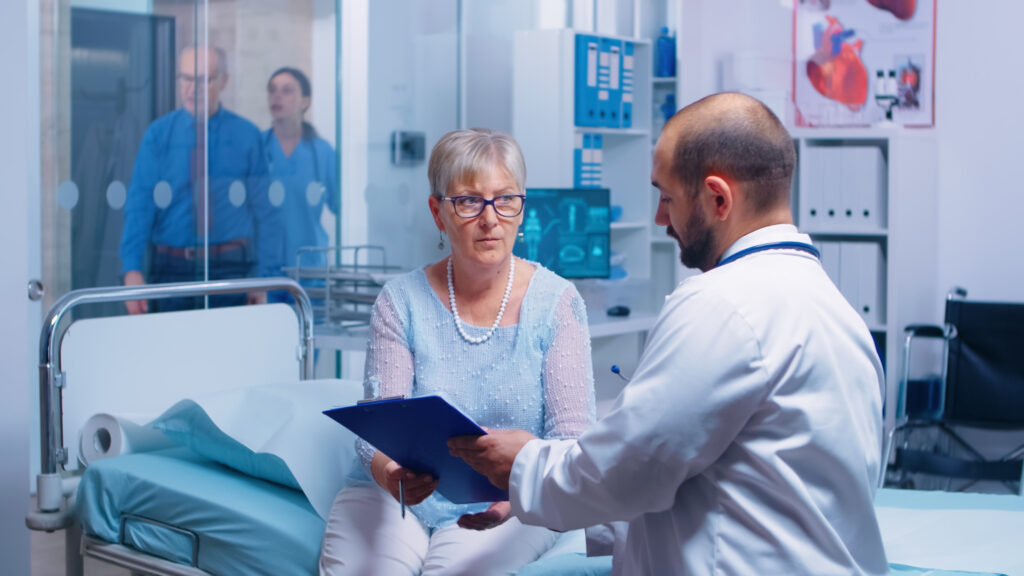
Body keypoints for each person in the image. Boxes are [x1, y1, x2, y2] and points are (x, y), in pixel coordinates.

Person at [450, 93, 889, 575]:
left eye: (666, 197)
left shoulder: (722, 305)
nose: (661, 220)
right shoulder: (835, 309)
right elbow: (736, 479)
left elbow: (624, 473)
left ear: (719, 198)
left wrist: (523, 463)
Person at [319, 128, 596, 575]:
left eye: (505, 199)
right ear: (437, 212)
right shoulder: (399, 300)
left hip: (517, 496)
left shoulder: (559, 303)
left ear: (522, 207)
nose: (491, 218)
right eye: (469, 201)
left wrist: (514, 498)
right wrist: (392, 474)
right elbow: (375, 425)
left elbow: (571, 443)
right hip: (398, 489)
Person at [119, 46, 281, 313]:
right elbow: (140, 205)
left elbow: (266, 214)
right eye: (186, 78)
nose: (192, 88)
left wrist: (263, 278)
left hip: (232, 270)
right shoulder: (158, 135)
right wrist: (132, 269)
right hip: (171, 271)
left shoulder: (247, 136)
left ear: (223, 81)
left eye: (204, 79)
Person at [263, 67, 338, 278]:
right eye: (272, 90)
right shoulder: (257, 147)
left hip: (309, 267)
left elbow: (340, 205)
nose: (277, 96)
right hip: (265, 269)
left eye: (287, 90)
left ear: (305, 101)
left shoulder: (322, 152)